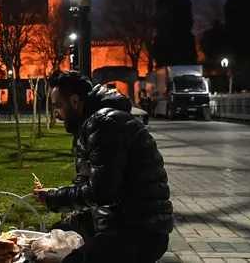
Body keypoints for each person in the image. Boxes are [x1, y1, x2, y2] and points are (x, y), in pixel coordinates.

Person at [33, 71, 173, 263]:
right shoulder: (95, 122)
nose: (55, 114)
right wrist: (64, 226)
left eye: (57, 106)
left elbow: (100, 192)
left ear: (74, 101)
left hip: (139, 230)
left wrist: (53, 198)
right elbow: (99, 192)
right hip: (124, 224)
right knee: (52, 247)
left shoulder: (104, 123)